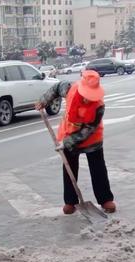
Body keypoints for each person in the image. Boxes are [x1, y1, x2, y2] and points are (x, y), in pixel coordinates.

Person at [36, 70, 116, 215]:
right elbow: (56, 87)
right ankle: (70, 201)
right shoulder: (69, 88)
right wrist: (43, 100)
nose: (88, 99)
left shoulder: (99, 106)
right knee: (69, 169)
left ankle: (105, 199)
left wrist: (67, 143)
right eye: (86, 95)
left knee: (98, 169)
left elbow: (88, 130)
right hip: (68, 132)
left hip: (92, 138)